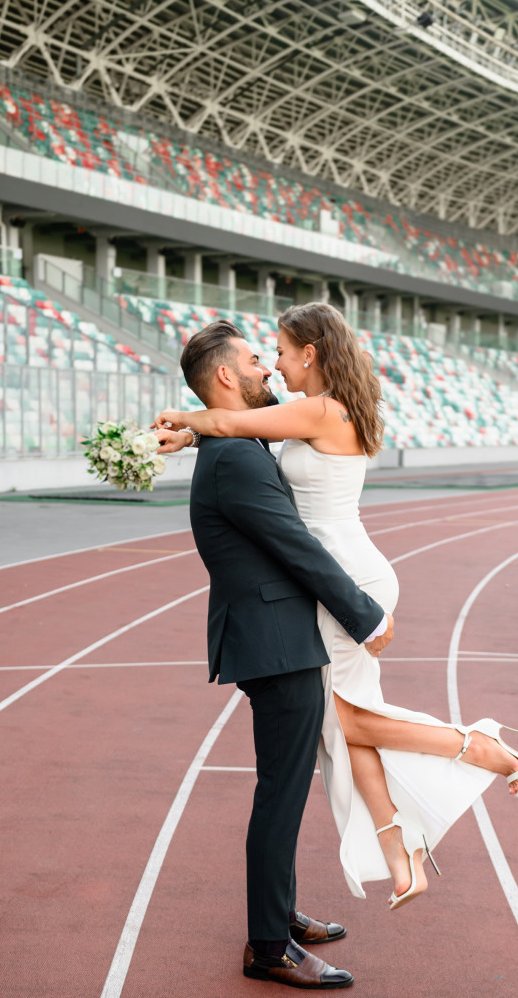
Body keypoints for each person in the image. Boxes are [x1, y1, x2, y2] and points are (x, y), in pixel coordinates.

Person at [156, 303, 518, 915]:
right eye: (263, 354)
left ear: (310, 353)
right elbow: (240, 425)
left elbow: (231, 422)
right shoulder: (310, 412)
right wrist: (193, 434)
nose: (273, 364)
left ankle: (478, 748)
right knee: (339, 723)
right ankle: (398, 853)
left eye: (278, 351)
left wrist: (183, 421)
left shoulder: (322, 409)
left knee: (346, 721)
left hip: (347, 577)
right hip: (339, 574)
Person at [171, 318, 396, 990]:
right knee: (281, 794)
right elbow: (297, 548)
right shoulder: (237, 457)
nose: (267, 368)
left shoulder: (234, 444)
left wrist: (193, 426)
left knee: (285, 791)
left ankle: (278, 913)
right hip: (278, 646)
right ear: (224, 377)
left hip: (275, 637)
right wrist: (364, 617)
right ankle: (269, 945)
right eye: (252, 360)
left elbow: (263, 421)